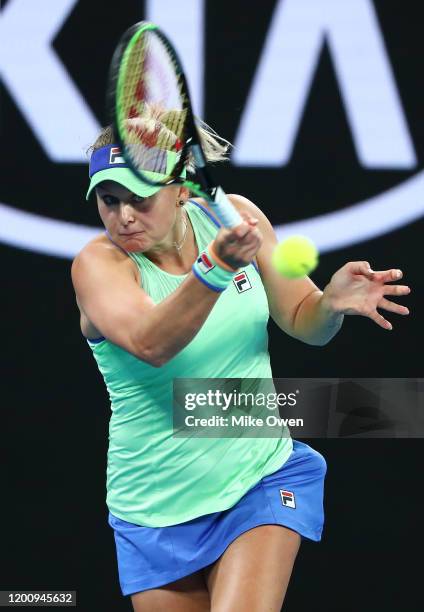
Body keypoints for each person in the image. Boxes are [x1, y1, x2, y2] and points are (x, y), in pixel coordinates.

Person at [71, 110, 410, 612]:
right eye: (109, 199)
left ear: (182, 187)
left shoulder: (231, 216)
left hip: (259, 475)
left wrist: (331, 305)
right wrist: (216, 267)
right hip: (152, 505)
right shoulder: (98, 265)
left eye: (140, 198)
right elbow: (151, 343)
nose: (123, 216)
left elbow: (302, 317)